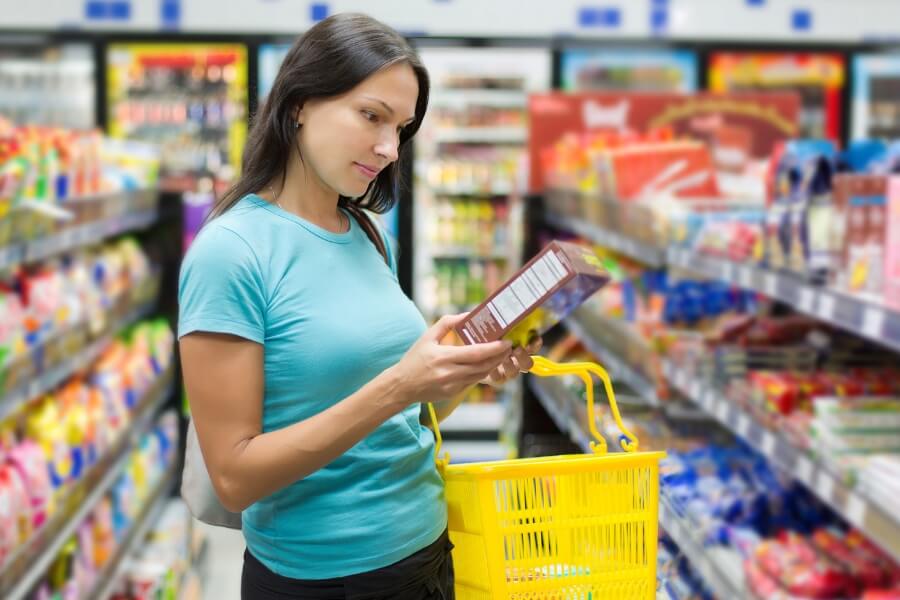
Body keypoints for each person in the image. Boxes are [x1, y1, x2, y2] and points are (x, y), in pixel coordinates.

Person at [178, 13, 540, 599]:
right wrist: (399, 384)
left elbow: (402, 419)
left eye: (401, 128)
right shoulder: (232, 251)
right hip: (323, 579)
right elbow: (235, 476)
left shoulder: (368, 234)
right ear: (300, 103)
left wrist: (463, 374)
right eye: (371, 115)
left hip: (426, 553)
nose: (388, 148)